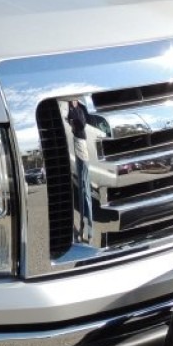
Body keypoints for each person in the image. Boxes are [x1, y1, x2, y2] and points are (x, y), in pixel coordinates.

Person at [66, 99, 94, 242]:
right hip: (77, 144)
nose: (71, 101)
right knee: (81, 189)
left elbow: (82, 124)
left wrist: (73, 119)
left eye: (73, 99)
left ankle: (89, 231)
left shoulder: (80, 109)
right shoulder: (69, 109)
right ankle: (84, 229)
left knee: (85, 188)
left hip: (81, 145)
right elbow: (71, 123)